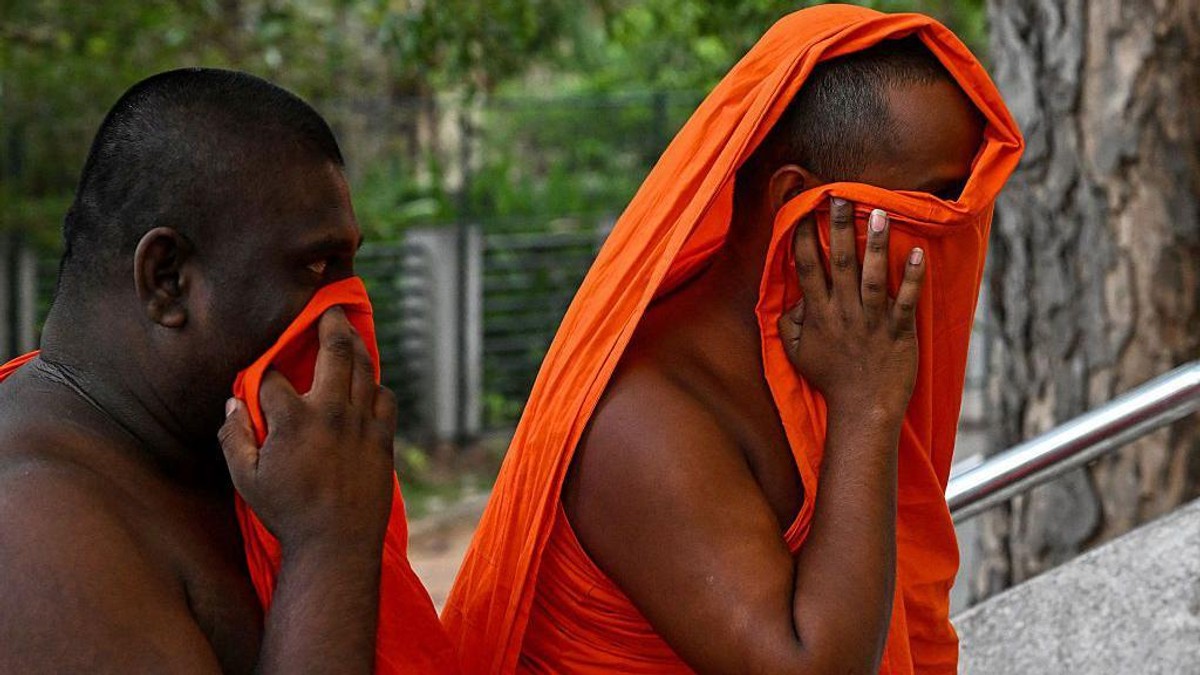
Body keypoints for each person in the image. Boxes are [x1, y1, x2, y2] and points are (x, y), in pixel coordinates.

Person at [443, 6, 1024, 674]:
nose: (956, 233)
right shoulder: (645, 418)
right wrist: (867, 407)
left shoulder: (830, 354)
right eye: (934, 202)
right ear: (796, 206)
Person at [0, 68, 455, 673]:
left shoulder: (220, 459)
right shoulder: (34, 531)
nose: (347, 321)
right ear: (168, 280)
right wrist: (328, 547)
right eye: (316, 268)